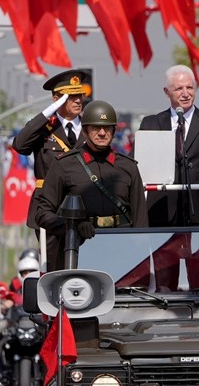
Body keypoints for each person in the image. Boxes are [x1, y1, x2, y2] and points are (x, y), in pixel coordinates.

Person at [34, 100, 149, 270]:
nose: (102, 133)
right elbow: (42, 213)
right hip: (78, 252)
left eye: (107, 128)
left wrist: (139, 260)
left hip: (121, 252)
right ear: (86, 130)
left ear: (113, 130)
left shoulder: (128, 167)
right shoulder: (64, 165)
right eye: (96, 128)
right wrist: (72, 226)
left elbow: (140, 220)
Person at [13, 69, 92, 269]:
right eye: (70, 96)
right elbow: (20, 144)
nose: (77, 100)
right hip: (50, 207)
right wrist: (49, 111)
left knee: (86, 266)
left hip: (85, 205)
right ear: (57, 99)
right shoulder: (44, 130)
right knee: (53, 268)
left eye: (80, 95)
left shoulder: (90, 129)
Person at [139, 65, 199, 226]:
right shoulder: (151, 123)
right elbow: (139, 162)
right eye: (179, 88)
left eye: (190, 87)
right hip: (162, 208)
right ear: (167, 92)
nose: (186, 93)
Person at [0, 250, 45, 386]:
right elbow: (9, 301)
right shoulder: (15, 286)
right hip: (18, 323)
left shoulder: (42, 286)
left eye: (31, 271)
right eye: (24, 272)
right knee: (3, 339)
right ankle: (5, 374)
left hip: (36, 325)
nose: (27, 274)